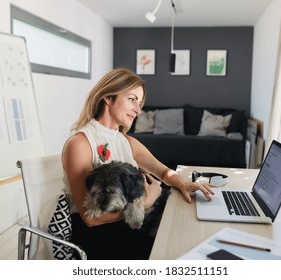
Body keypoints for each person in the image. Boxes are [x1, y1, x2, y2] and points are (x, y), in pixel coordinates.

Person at [62, 67, 214, 260]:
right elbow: (91, 218)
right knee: (175, 251)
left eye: (140, 103)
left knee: (187, 236)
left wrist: (183, 183)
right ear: (108, 97)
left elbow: (165, 172)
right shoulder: (81, 143)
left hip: (126, 225)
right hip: (97, 237)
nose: (138, 110)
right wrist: (145, 203)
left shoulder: (126, 142)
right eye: (132, 99)